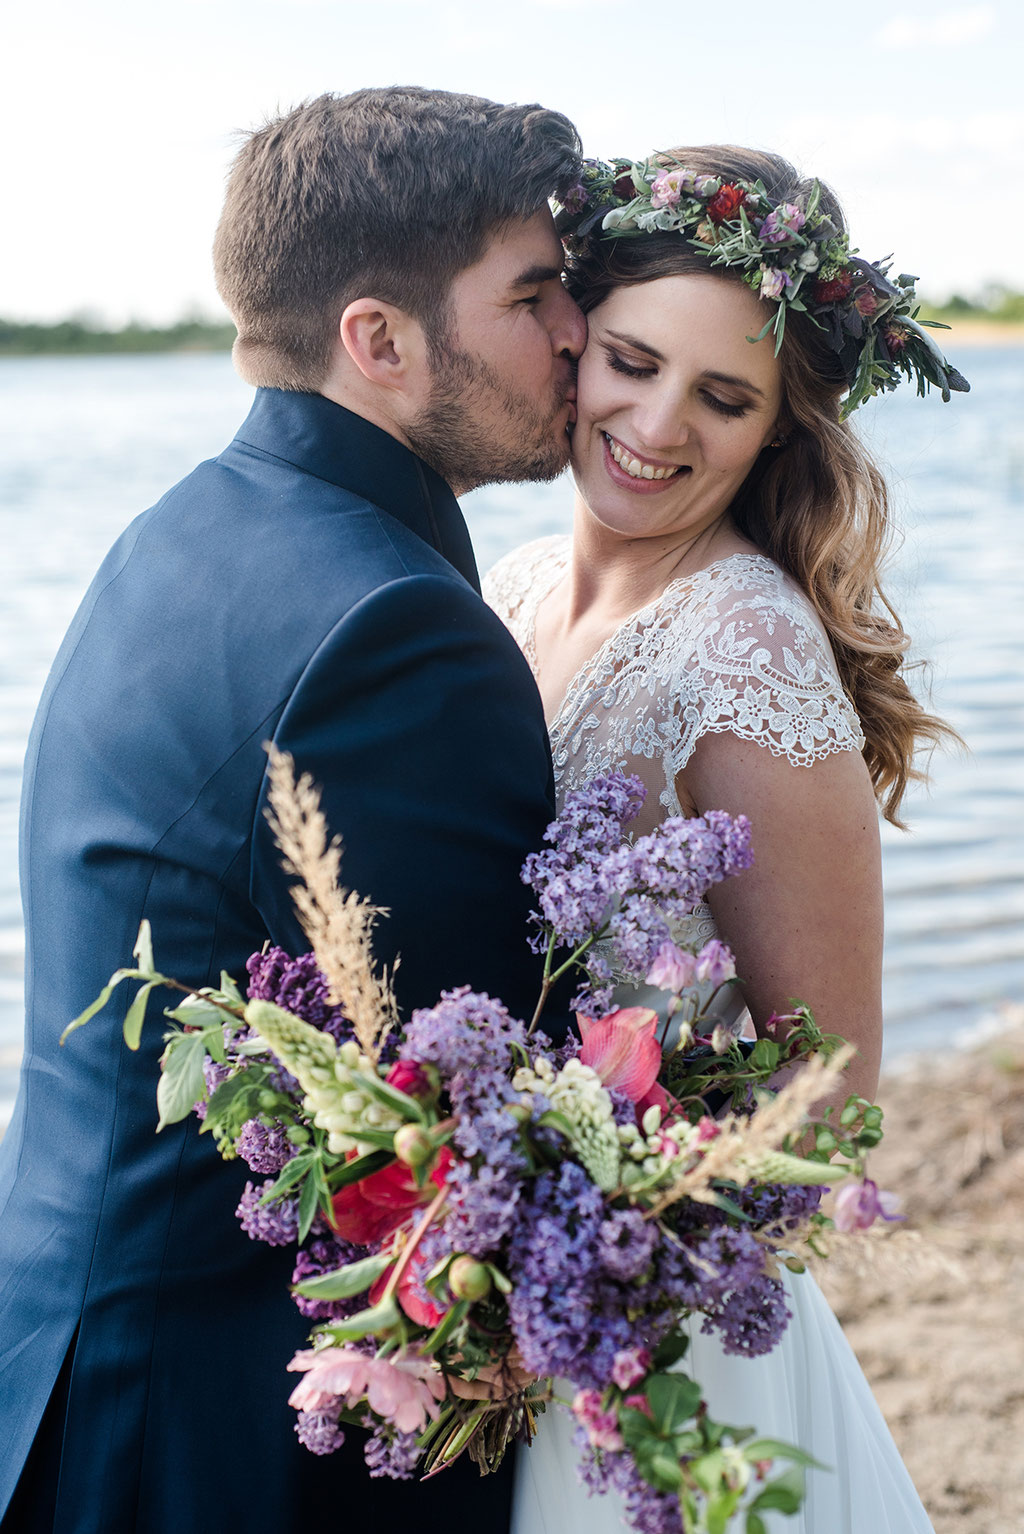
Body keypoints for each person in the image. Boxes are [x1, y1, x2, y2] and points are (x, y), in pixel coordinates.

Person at [0, 87, 586, 1533]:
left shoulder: (183, 527)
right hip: (226, 1440)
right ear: (378, 340)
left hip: (69, 1355)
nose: (576, 333)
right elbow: (470, 1110)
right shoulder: (398, 628)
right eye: (534, 296)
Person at [486, 146, 966, 1532]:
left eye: (725, 395)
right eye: (631, 361)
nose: (655, 421)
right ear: (572, 343)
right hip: (514, 1270)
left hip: (655, 1317)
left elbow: (835, 1087)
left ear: (776, 430)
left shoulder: (748, 641)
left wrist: (617, 1243)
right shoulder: (513, 586)